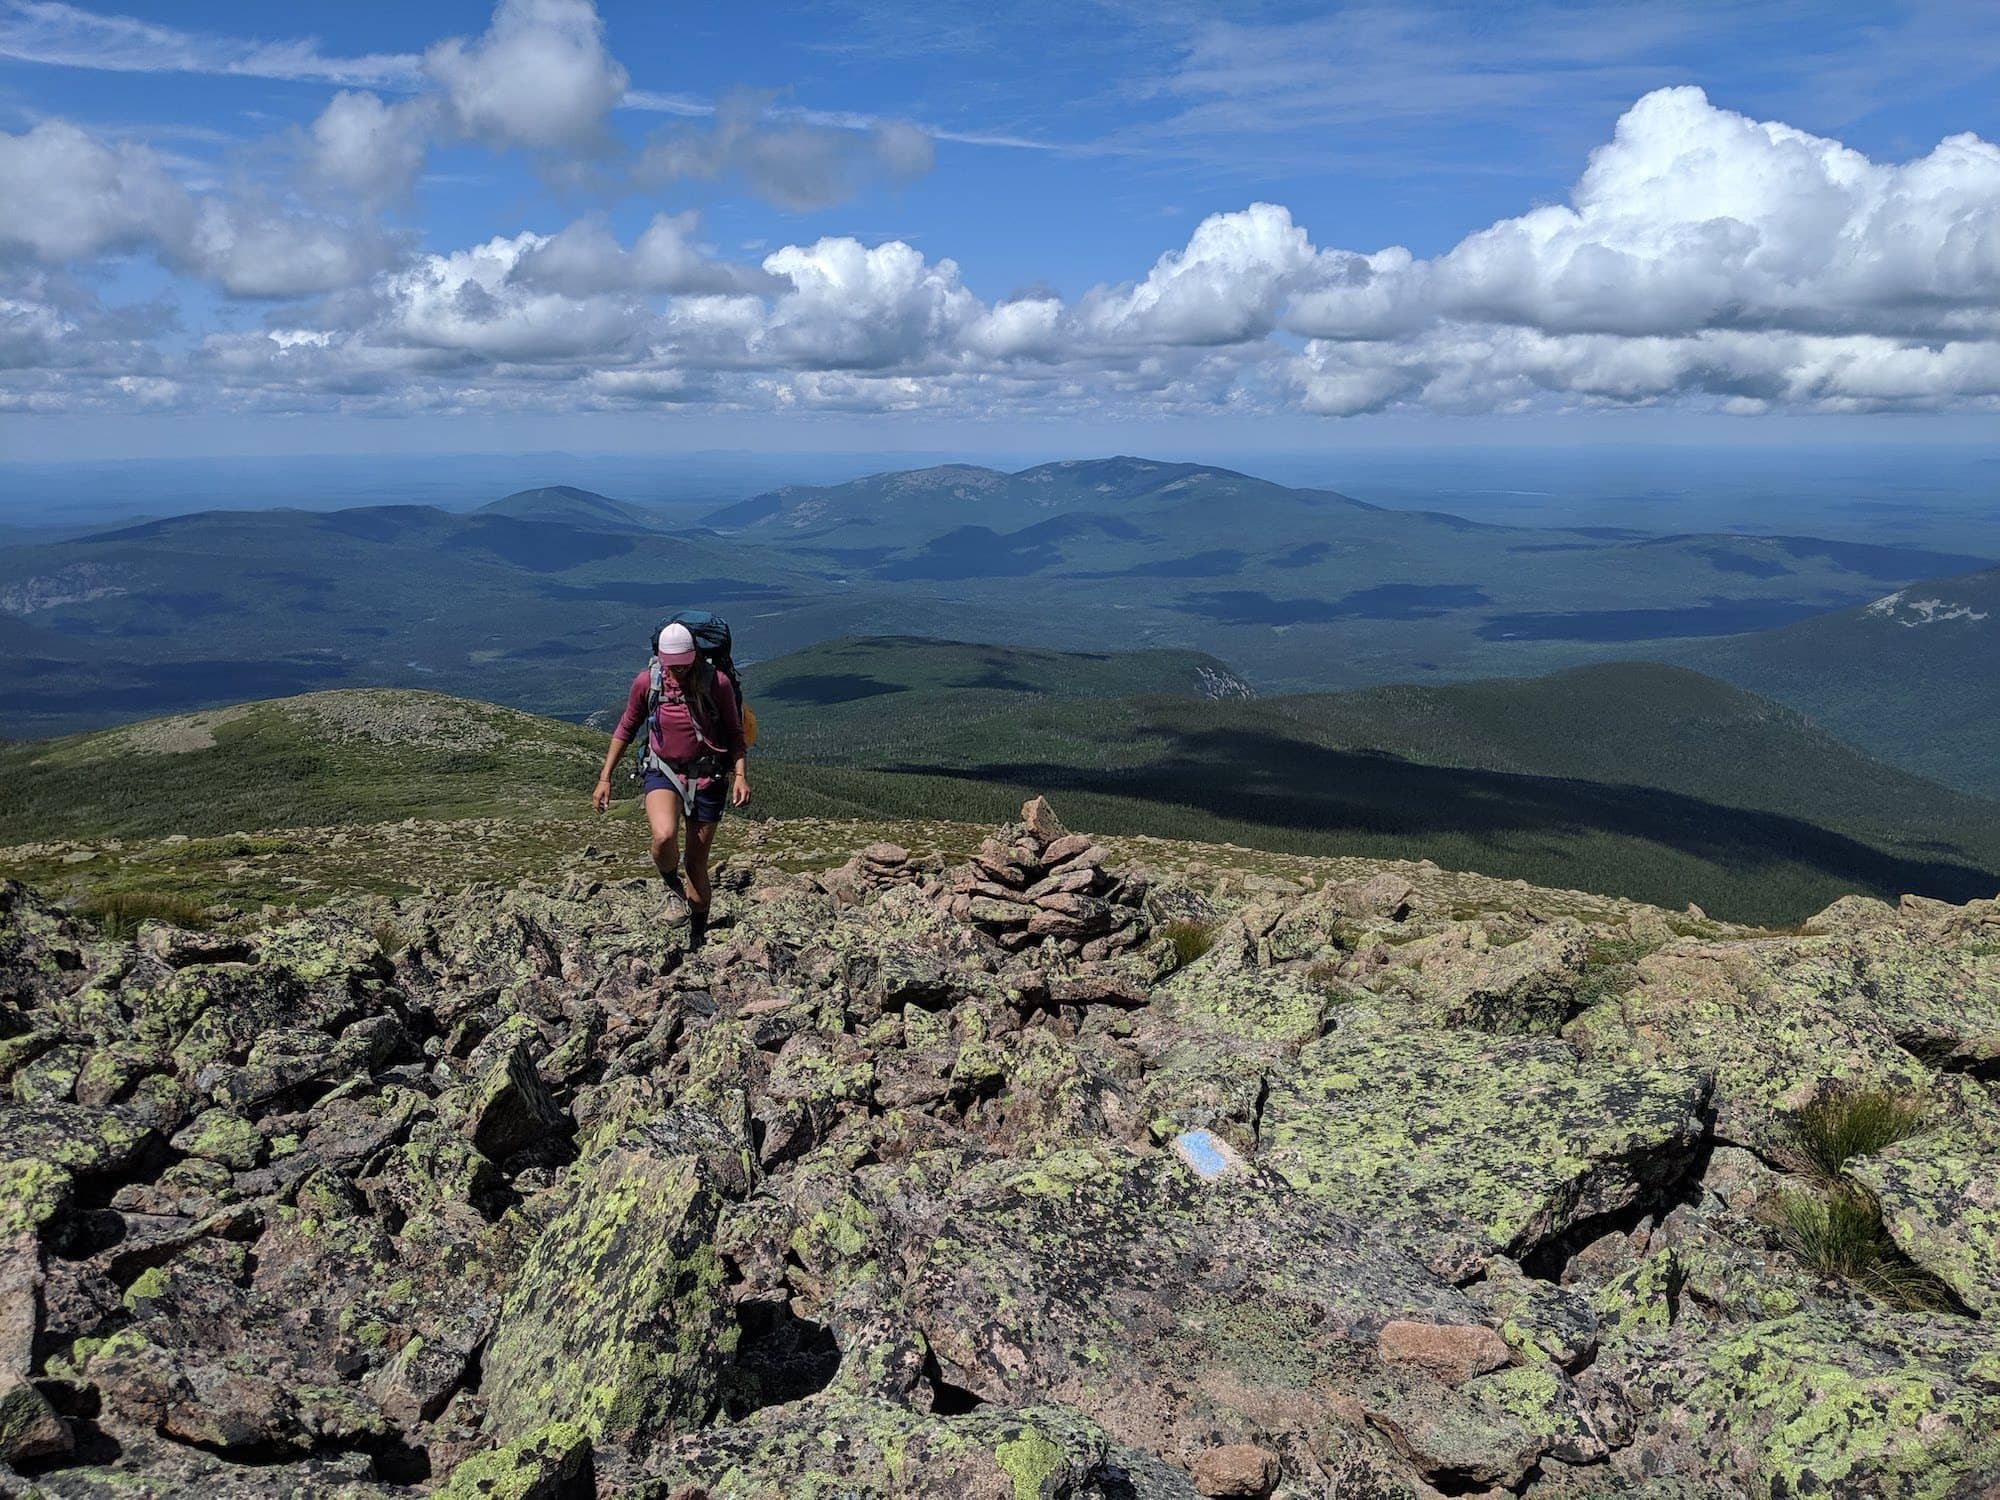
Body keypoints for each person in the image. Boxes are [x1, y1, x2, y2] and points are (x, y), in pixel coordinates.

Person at [592, 621, 750, 943]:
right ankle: (671, 885)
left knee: (695, 864)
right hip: (662, 770)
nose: (676, 672)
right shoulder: (647, 683)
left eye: (682, 665)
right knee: (664, 836)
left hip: (709, 775)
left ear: (694, 657)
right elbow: (626, 727)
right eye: (670, 666)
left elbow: (735, 734)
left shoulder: (715, 683)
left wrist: (740, 775)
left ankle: (697, 937)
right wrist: (604, 777)